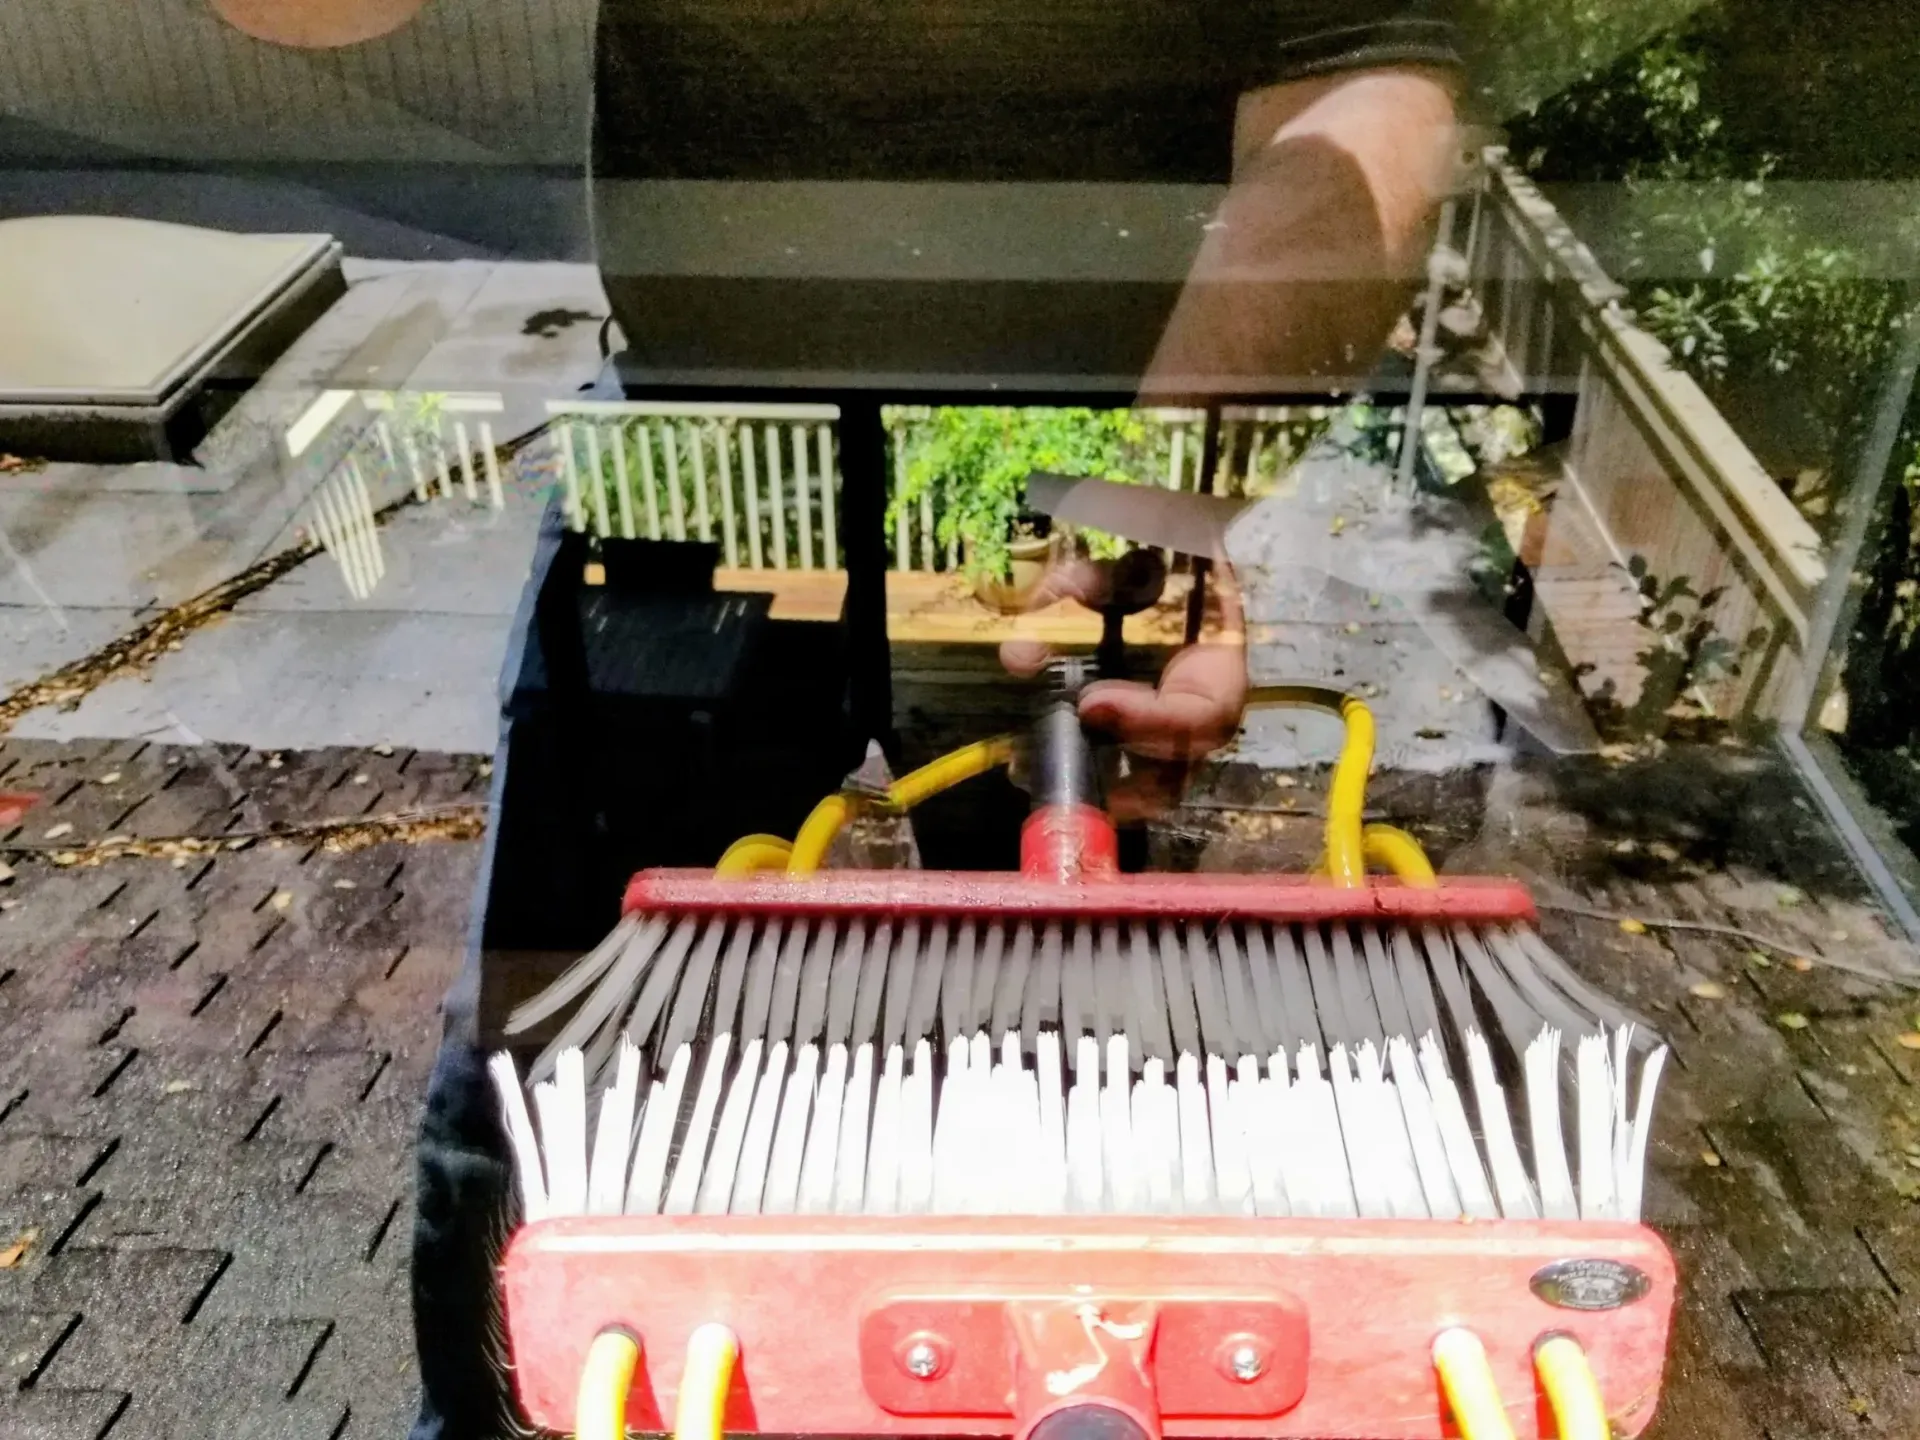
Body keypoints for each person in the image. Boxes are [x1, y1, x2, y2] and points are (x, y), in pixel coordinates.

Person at [404, 3, 1462, 1435]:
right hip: (710, 450)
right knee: (546, 1087)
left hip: (1068, 492)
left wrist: (1154, 507)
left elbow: (1367, 99)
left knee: (1056, 1080)